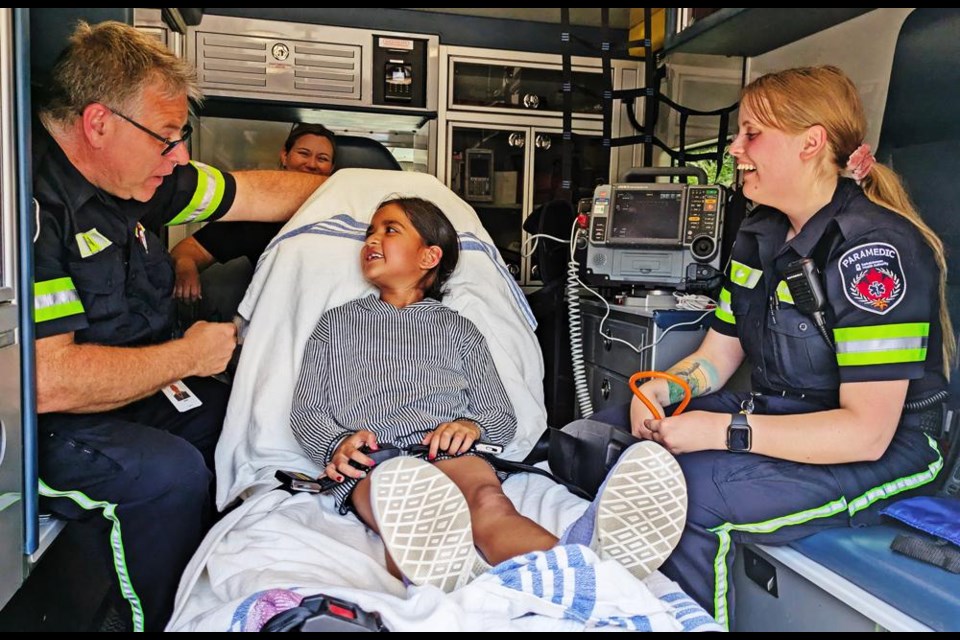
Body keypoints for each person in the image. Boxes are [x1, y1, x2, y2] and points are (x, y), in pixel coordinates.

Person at [619, 65, 953, 628]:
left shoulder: (872, 250)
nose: (735, 148)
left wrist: (724, 432)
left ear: (811, 142)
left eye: (752, 134)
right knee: (611, 440)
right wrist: (667, 388)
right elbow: (718, 354)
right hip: (788, 417)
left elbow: (866, 433)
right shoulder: (760, 233)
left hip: (894, 447)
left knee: (691, 496)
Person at [33, 21, 328, 631]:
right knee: (166, 475)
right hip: (44, 427)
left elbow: (254, 194)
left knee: (244, 419)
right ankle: (155, 620)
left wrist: (377, 193)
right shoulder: (28, 204)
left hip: (130, 394)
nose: (180, 157)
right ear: (98, 123)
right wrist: (187, 356)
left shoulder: (140, 182)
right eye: (167, 137)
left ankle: (233, 594)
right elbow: (46, 381)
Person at [290, 197, 687, 591]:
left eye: (389, 230)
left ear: (429, 256)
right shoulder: (336, 324)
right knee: (402, 512)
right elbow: (307, 409)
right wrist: (339, 444)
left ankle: (579, 570)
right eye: (369, 233)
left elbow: (499, 414)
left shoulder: (458, 329)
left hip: (445, 450)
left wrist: (469, 426)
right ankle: (449, 582)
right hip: (378, 458)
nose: (371, 241)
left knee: (490, 505)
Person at [171, 122, 337, 305]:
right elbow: (191, 249)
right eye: (303, 154)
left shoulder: (345, 212)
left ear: (332, 168)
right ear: (284, 155)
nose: (312, 164)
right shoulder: (259, 212)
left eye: (322, 158)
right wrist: (185, 268)